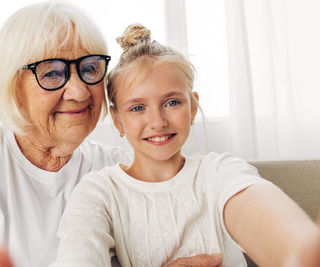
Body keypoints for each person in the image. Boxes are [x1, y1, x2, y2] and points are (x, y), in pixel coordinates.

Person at [0, 2, 221, 267]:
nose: (79, 92)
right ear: (13, 87)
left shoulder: (123, 169)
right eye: (52, 73)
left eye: (90, 68)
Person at [50, 24, 320, 267]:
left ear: (193, 107)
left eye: (172, 103)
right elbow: (78, 254)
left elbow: (267, 220)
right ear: (118, 119)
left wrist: (299, 249)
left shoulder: (220, 173)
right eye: (138, 107)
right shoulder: (99, 192)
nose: (157, 121)